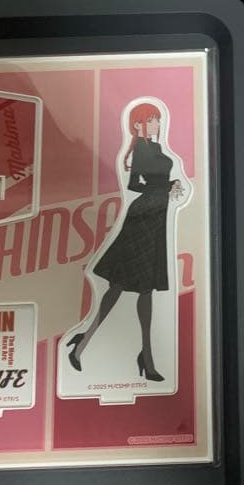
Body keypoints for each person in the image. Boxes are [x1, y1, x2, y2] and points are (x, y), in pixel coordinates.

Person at [66, 102, 184, 380]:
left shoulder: (154, 148)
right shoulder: (142, 148)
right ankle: (87, 342)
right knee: (123, 283)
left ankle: (144, 356)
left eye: (157, 119)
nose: (157, 124)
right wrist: (164, 187)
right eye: (152, 120)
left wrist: (168, 187)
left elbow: (151, 181)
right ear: (138, 124)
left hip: (156, 215)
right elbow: (134, 185)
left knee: (144, 287)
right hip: (144, 215)